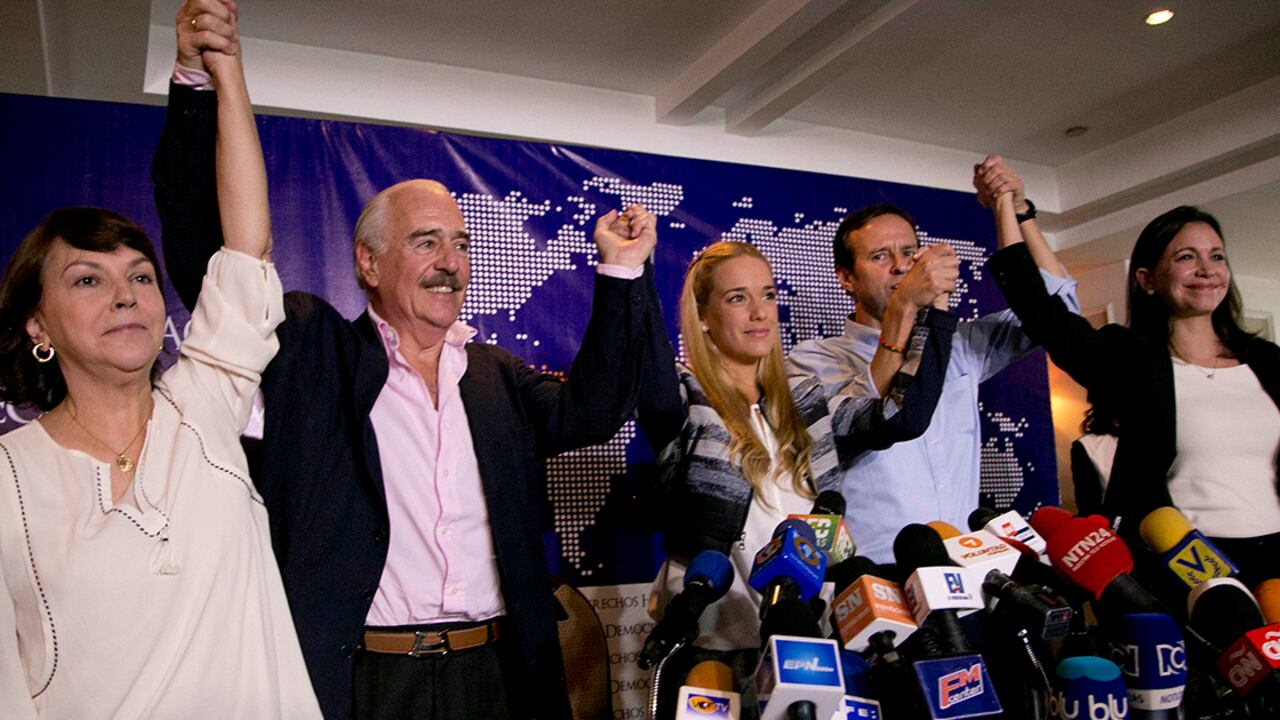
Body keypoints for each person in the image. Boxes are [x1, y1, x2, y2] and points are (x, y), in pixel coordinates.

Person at [151, 3, 662, 719]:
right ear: (367, 261)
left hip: (498, 676)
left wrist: (621, 274)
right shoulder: (314, 354)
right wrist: (199, 84)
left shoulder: (494, 377)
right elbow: (215, 254)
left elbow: (595, 411)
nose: (451, 263)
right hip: (367, 683)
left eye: (460, 243)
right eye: (426, 242)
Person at [0, 7, 321, 717]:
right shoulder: (8, 477)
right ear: (36, 324)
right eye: (87, 279)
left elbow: (244, 245)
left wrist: (226, 67)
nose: (125, 296)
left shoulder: (204, 401)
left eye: (141, 277)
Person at [636, 241, 954, 708]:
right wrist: (633, 269)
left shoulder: (805, 399)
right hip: (718, 649)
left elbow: (900, 417)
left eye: (767, 295)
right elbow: (645, 363)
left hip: (808, 635)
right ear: (703, 316)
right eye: (737, 298)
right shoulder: (686, 400)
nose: (760, 312)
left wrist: (935, 314)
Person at [789, 155, 1079, 563]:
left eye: (909, 252)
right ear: (846, 277)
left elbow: (1059, 311)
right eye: (879, 257)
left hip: (967, 565)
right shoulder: (812, 361)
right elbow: (871, 418)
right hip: (875, 573)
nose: (900, 267)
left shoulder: (958, 344)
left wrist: (1016, 212)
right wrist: (906, 306)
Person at [987, 200, 1280, 586]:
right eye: (1186, 257)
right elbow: (1042, 312)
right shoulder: (1130, 359)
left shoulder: (1268, 360)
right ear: (1147, 279)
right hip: (1182, 565)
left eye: (1217, 256)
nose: (1207, 270)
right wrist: (1008, 208)